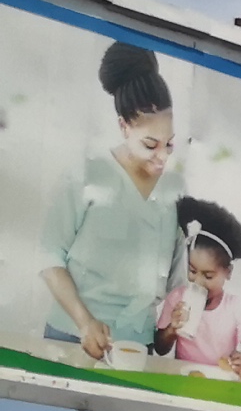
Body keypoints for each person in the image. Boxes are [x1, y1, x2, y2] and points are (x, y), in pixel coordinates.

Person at [45, 41, 185, 365]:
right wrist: (84, 322)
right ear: (123, 126)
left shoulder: (171, 200)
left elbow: (170, 294)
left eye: (169, 145)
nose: (161, 157)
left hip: (135, 352)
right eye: (150, 144)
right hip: (70, 339)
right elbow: (51, 256)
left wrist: (172, 328)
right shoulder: (86, 176)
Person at [153, 199, 241, 380]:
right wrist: (172, 329)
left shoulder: (235, 307)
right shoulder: (177, 298)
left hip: (220, 382)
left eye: (209, 276)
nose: (198, 281)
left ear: (228, 273)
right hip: (184, 379)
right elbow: (160, 348)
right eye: (192, 271)